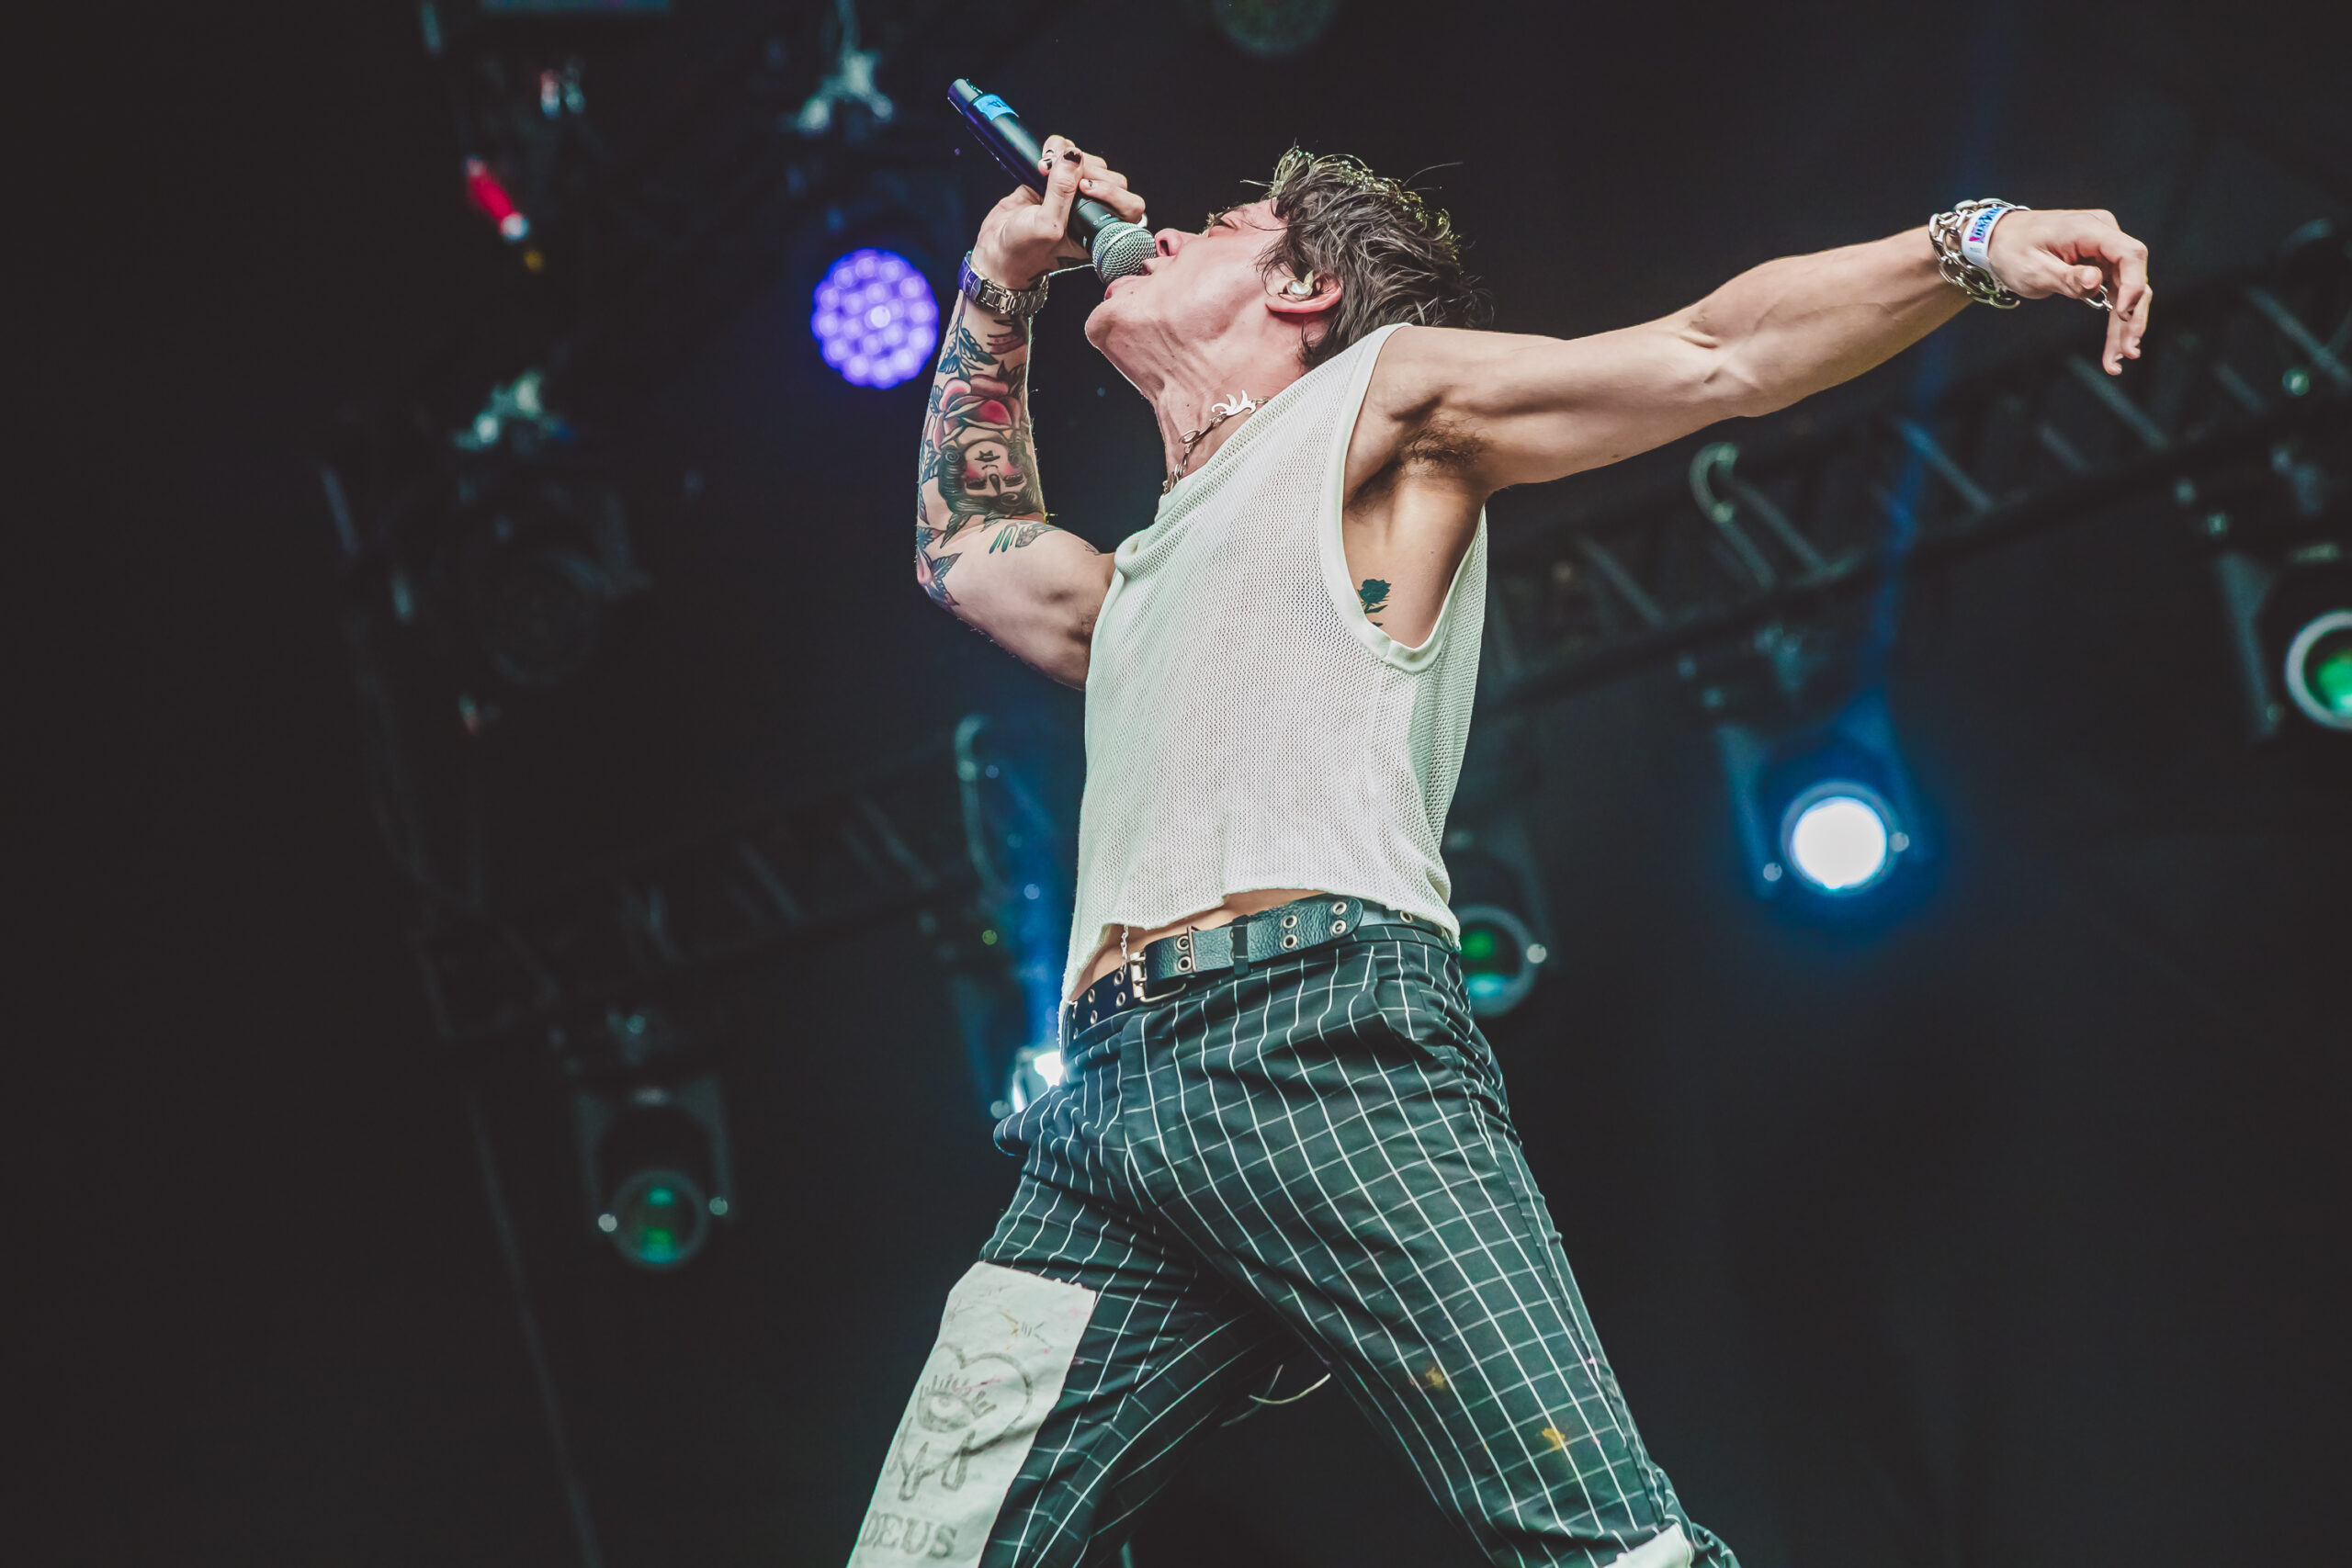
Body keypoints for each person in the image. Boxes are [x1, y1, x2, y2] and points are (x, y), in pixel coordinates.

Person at [853, 137, 2151, 1568]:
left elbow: (1714, 353)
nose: (1161, 233)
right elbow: (965, 540)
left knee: (1606, 1548)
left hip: (1316, 1036)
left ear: (1304, 288)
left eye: (1218, 223)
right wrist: (998, 278)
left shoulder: (1380, 398)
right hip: (1107, 1114)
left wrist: (1968, 245)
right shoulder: (1140, 583)